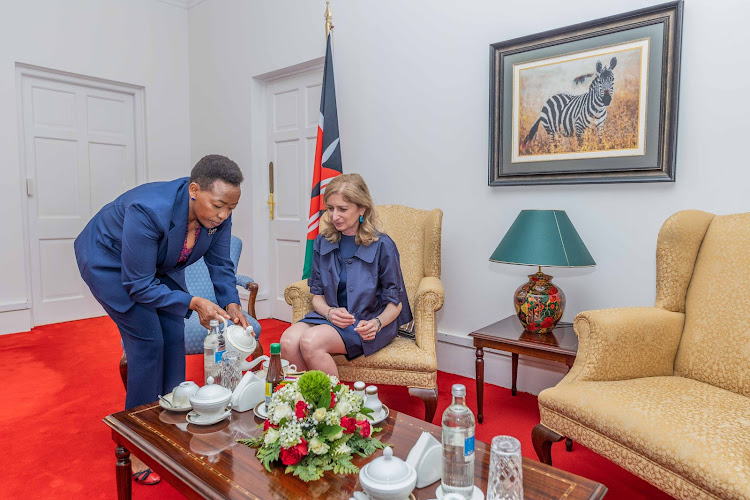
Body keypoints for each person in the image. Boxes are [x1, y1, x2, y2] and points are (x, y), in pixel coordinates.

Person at [74, 154, 250, 484]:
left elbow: (220, 265)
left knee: (173, 334)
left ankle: (173, 421)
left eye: (231, 208)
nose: (224, 215)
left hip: (156, 266)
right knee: (148, 342)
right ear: (195, 189)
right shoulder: (149, 210)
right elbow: (137, 284)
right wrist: (194, 301)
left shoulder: (218, 215)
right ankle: (137, 443)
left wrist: (231, 302)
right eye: (218, 206)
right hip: (108, 263)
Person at [280, 173, 412, 377]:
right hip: (330, 318)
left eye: (342, 209)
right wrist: (330, 312)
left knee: (310, 341)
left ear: (362, 209)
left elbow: (396, 303)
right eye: (330, 208)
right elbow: (318, 296)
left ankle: (334, 407)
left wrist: (376, 323)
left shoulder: (383, 245)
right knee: (287, 342)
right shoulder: (323, 241)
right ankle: (307, 404)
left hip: (368, 321)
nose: (334, 216)